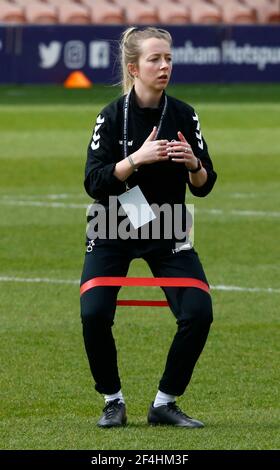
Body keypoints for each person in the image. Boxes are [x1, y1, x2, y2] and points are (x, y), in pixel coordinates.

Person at [80, 26, 217, 428]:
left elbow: (205, 186)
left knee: (199, 312)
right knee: (94, 313)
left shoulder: (183, 114)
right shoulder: (109, 115)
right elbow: (94, 181)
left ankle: (164, 403)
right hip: (113, 223)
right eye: (155, 59)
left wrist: (194, 165)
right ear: (133, 67)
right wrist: (135, 160)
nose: (164, 66)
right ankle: (112, 401)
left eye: (169, 58)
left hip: (169, 225)